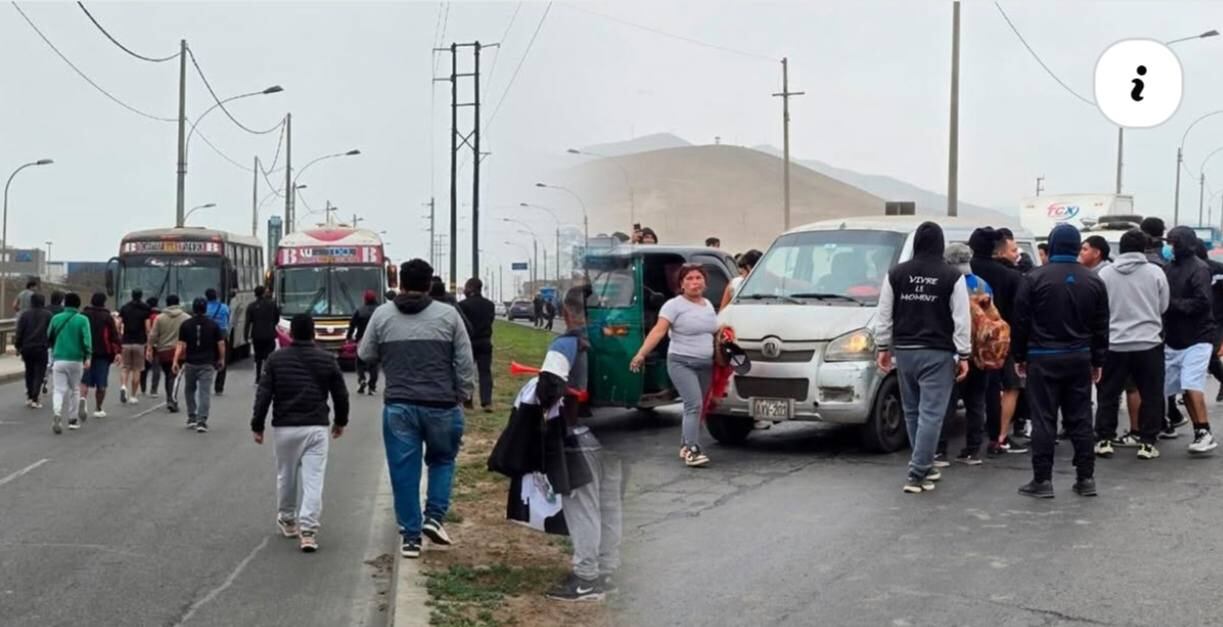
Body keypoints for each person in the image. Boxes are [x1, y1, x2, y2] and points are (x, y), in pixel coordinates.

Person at [358, 258, 475, 559]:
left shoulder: (383, 315)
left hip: (399, 406)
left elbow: (365, 352)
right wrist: (463, 393)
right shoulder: (449, 316)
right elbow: (464, 360)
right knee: (442, 460)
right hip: (442, 405)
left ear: (400, 283)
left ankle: (411, 537)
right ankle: (434, 518)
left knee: (404, 471)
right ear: (428, 284)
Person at [1012, 224, 1109, 498]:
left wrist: (1019, 356)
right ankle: (1085, 478)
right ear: (1077, 246)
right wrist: (1098, 360)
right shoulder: (1093, 281)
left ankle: (1042, 480)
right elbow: (1102, 326)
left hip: (1042, 358)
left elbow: (1021, 322)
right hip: (1079, 357)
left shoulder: (1034, 278)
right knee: (1080, 418)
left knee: (1043, 418)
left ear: (1052, 245)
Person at [873, 223, 970, 493]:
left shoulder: (896, 274)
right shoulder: (952, 276)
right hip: (937, 352)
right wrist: (964, 353)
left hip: (904, 351)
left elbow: (884, 313)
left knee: (913, 411)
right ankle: (917, 473)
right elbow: (961, 318)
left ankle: (923, 464)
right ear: (941, 244)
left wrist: (883, 346)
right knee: (931, 414)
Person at [545, 286, 622, 602]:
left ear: (567, 313)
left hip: (579, 437)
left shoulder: (566, 344)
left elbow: (548, 388)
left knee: (583, 507)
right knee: (610, 506)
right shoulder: (615, 340)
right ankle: (607, 571)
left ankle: (585, 578)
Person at [252, 313, 349, 553]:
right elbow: (341, 394)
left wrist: (257, 425)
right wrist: (340, 421)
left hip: (285, 427)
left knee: (286, 475)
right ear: (314, 333)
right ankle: (308, 531)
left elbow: (264, 395)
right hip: (316, 427)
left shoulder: (275, 360)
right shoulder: (327, 359)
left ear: (291, 333)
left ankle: (287, 519)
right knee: (314, 479)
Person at [631, 264, 719, 468]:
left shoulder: (707, 305)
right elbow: (658, 331)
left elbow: (713, 332)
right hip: (681, 362)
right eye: (689, 279)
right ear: (681, 284)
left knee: (699, 406)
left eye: (698, 278)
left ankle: (685, 443)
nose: (694, 282)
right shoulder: (673, 305)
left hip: (705, 364)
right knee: (693, 404)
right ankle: (692, 449)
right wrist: (641, 354)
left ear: (705, 282)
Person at [1094, 229, 1168, 461]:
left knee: (1108, 393)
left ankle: (1105, 439)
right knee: (1151, 394)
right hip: (1148, 342)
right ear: (1143, 248)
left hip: (1114, 343)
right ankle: (1147, 442)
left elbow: (1099, 308)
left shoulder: (1105, 274)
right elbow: (1163, 306)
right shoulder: (1155, 272)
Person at [969, 227, 1029, 456]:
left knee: (976, 391)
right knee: (1009, 387)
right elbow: (1022, 311)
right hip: (1004, 340)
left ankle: (966, 442)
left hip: (970, 340)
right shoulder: (1012, 276)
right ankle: (1000, 437)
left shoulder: (962, 274)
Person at [934, 243, 992, 467]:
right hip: (980, 352)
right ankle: (973, 450)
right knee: (976, 402)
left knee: (946, 402)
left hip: (954, 351)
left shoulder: (947, 283)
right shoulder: (982, 284)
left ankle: (940, 450)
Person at [1162, 226, 1218, 453]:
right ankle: (1195, 429)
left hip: (1198, 336)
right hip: (1174, 337)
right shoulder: (1168, 268)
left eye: (1173, 242)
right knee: (1179, 388)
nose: (1169, 246)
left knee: (1191, 383)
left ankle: (1204, 431)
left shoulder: (1199, 269)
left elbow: (1203, 301)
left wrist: (1171, 304)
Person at [174, 297, 226, 433]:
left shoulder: (185, 325)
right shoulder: (213, 325)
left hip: (190, 362)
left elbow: (181, 345)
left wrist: (175, 360)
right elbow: (220, 344)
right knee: (204, 392)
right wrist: (221, 359)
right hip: (207, 363)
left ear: (193, 308)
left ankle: (192, 416)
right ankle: (202, 420)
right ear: (205, 309)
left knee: (189, 390)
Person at [48, 293, 91, 434]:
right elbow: (87, 340)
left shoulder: (55, 318)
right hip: (76, 359)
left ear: (64, 304)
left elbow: (48, 336)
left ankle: (57, 413)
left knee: (58, 390)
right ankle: (72, 420)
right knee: (75, 389)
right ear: (78, 304)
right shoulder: (83, 320)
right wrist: (88, 356)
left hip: (59, 358)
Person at [457, 278, 496, 412]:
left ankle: (468, 400)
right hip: (485, 341)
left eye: (466, 287)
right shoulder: (490, 305)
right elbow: (490, 321)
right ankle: (487, 402)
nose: (464, 290)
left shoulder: (462, 305)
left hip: (469, 342)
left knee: (467, 372)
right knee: (485, 372)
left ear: (471, 288)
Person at [81, 292, 121, 420]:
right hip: (103, 353)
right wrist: (118, 351)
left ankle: (82, 400)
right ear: (104, 302)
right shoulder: (107, 317)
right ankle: (98, 408)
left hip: (85, 353)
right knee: (101, 383)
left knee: (84, 380)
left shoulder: (83, 315)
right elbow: (114, 335)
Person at [149, 295, 188, 413]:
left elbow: (153, 335)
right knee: (174, 376)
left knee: (169, 375)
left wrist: (150, 347)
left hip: (163, 351)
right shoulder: (186, 317)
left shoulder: (160, 318)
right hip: (180, 351)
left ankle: (169, 398)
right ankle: (172, 400)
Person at [15, 293, 51, 408]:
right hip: (41, 347)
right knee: (39, 373)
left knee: (29, 371)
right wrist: (50, 344)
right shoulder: (48, 315)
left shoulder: (25, 315)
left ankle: (30, 396)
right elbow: (51, 332)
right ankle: (35, 397)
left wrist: (18, 346)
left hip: (27, 347)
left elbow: (19, 332)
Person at [117, 289, 153, 405]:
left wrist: (120, 335)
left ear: (131, 296)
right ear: (141, 296)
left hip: (126, 341)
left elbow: (118, 323)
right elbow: (147, 328)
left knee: (125, 368)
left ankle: (123, 386)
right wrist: (148, 342)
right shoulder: (145, 308)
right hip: (139, 342)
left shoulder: (125, 308)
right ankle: (133, 396)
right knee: (137, 369)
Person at [346, 289, 380, 395]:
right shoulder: (380, 310)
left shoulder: (359, 311)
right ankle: (372, 387)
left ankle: (362, 379)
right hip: (375, 340)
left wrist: (349, 337)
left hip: (361, 340)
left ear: (364, 299)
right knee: (374, 364)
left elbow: (352, 325)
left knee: (360, 362)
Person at [246, 286, 281, 386]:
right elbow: (277, 318)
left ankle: (258, 377)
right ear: (264, 293)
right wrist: (271, 325)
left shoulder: (251, 306)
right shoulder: (272, 304)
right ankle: (268, 376)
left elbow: (248, 322)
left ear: (255, 294)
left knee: (258, 357)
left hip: (256, 335)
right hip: (269, 334)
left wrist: (246, 336)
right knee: (269, 356)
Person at [205, 289, 232, 396]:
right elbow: (228, 319)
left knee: (208, 360)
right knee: (222, 359)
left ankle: (206, 383)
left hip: (208, 336)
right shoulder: (224, 307)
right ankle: (219, 387)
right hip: (222, 335)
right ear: (216, 296)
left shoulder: (205, 307)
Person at [139, 297, 161, 397]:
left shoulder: (144, 316)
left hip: (145, 343)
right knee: (156, 367)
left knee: (144, 367)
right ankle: (154, 390)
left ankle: (143, 387)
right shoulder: (160, 316)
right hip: (158, 344)